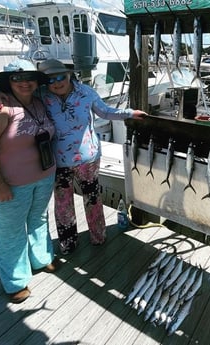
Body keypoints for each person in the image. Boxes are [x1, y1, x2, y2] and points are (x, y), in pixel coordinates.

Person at [36, 59, 147, 255]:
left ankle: (98, 236)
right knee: (63, 203)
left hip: (89, 158)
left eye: (60, 77)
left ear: (69, 74)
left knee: (93, 198)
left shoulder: (86, 92)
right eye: (49, 80)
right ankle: (68, 242)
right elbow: (16, 93)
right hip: (59, 161)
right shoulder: (41, 94)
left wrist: (130, 113)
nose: (56, 83)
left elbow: (105, 112)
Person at [0, 59, 57, 304]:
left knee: (39, 219)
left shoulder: (40, 102)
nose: (25, 82)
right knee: (11, 232)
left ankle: (41, 258)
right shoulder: (1, 108)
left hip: (44, 176)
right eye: (17, 78)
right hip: (11, 183)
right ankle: (16, 281)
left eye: (29, 77)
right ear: (8, 82)